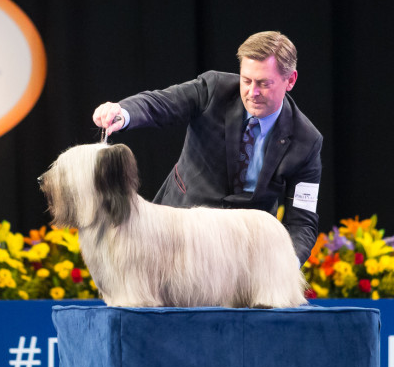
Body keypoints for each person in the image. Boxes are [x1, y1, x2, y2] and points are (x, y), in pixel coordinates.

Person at [92, 31, 322, 266]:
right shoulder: (214, 89)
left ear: (290, 80)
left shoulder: (307, 141)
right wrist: (123, 112)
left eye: (264, 84)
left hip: (244, 255)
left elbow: (302, 221)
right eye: (246, 80)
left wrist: (288, 265)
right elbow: (161, 103)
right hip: (179, 234)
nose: (252, 92)